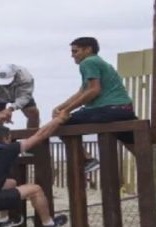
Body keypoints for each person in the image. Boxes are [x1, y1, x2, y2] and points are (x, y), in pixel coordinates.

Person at [53, 37, 137, 173]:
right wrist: (61, 107)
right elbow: (82, 91)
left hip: (107, 110)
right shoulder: (101, 62)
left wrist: (66, 112)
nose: (72, 55)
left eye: (75, 51)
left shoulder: (88, 62)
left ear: (88, 49)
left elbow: (94, 90)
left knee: (60, 124)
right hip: (124, 110)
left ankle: (87, 159)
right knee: (134, 146)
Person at [0, 64, 40, 128]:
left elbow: (25, 97)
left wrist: (10, 109)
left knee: (33, 113)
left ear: (15, 76)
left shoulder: (26, 77)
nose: (5, 85)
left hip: (19, 94)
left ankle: (33, 135)